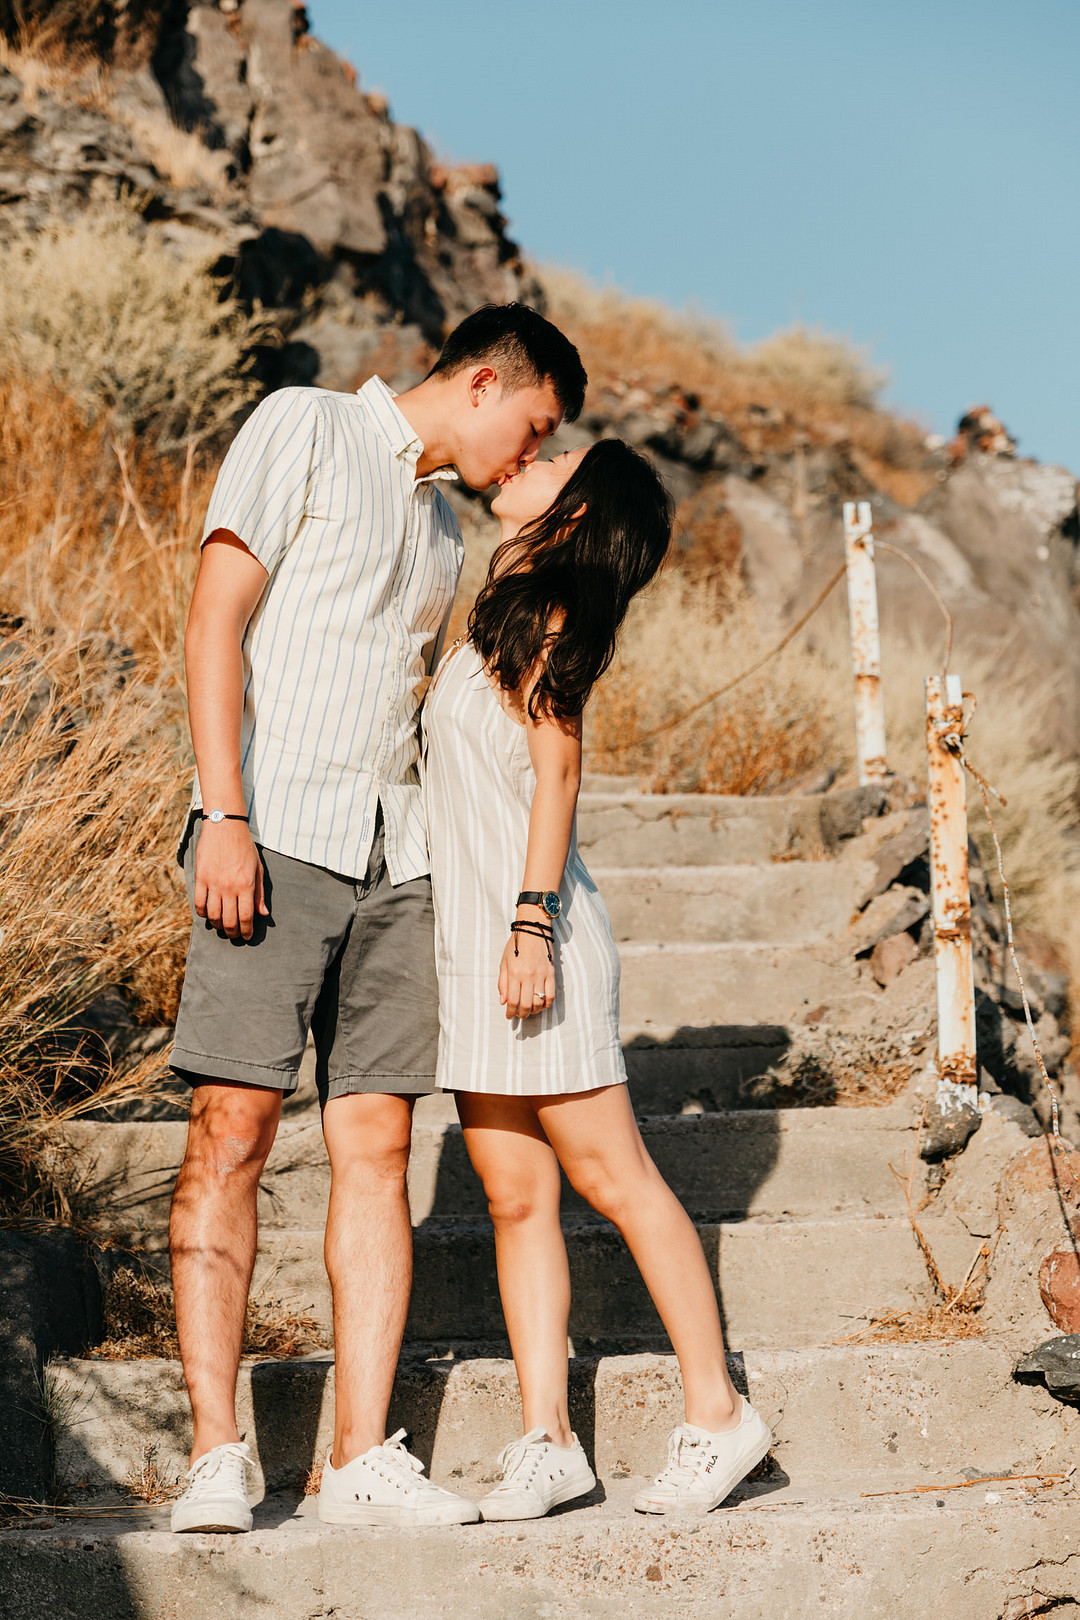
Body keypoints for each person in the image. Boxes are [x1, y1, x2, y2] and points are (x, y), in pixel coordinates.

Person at [166, 304, 588, 1534]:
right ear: (483, 380)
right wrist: (224, 815)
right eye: (534, 425)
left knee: (381, 1150)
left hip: (395, 862)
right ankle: (214, 1455)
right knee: (230, 1131)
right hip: (274, 834)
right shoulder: (301, 424)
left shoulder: (446, 526)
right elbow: (215, 621)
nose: (527, 453)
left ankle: (356, 1457)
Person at [422, 440, 774, 1522]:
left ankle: (720, 1415)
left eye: (555, 457)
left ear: (577, 508)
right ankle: (549, 1441)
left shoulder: (552, 617)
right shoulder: (501, 600)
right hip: (469, 936)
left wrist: (529, 923)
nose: (528, 459)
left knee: (616, 1181)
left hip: (536, 934)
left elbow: (557, 772)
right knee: (514, 1195)